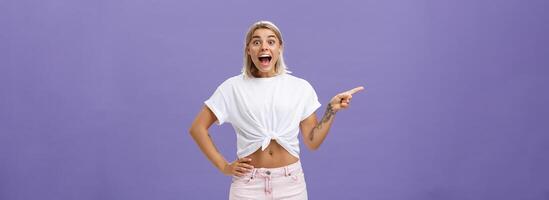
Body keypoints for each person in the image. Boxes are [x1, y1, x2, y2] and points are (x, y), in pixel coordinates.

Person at [189, 20, 364, 200]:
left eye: (271, 41)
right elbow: (197, 128)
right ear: (248, 49)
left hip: (291, 184)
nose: (264, 47)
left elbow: (312, 141)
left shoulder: (300, 87)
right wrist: (223, 166)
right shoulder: (232, 87)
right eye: (257, 42)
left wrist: (331, 110)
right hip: (248, 185)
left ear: (280, 48)